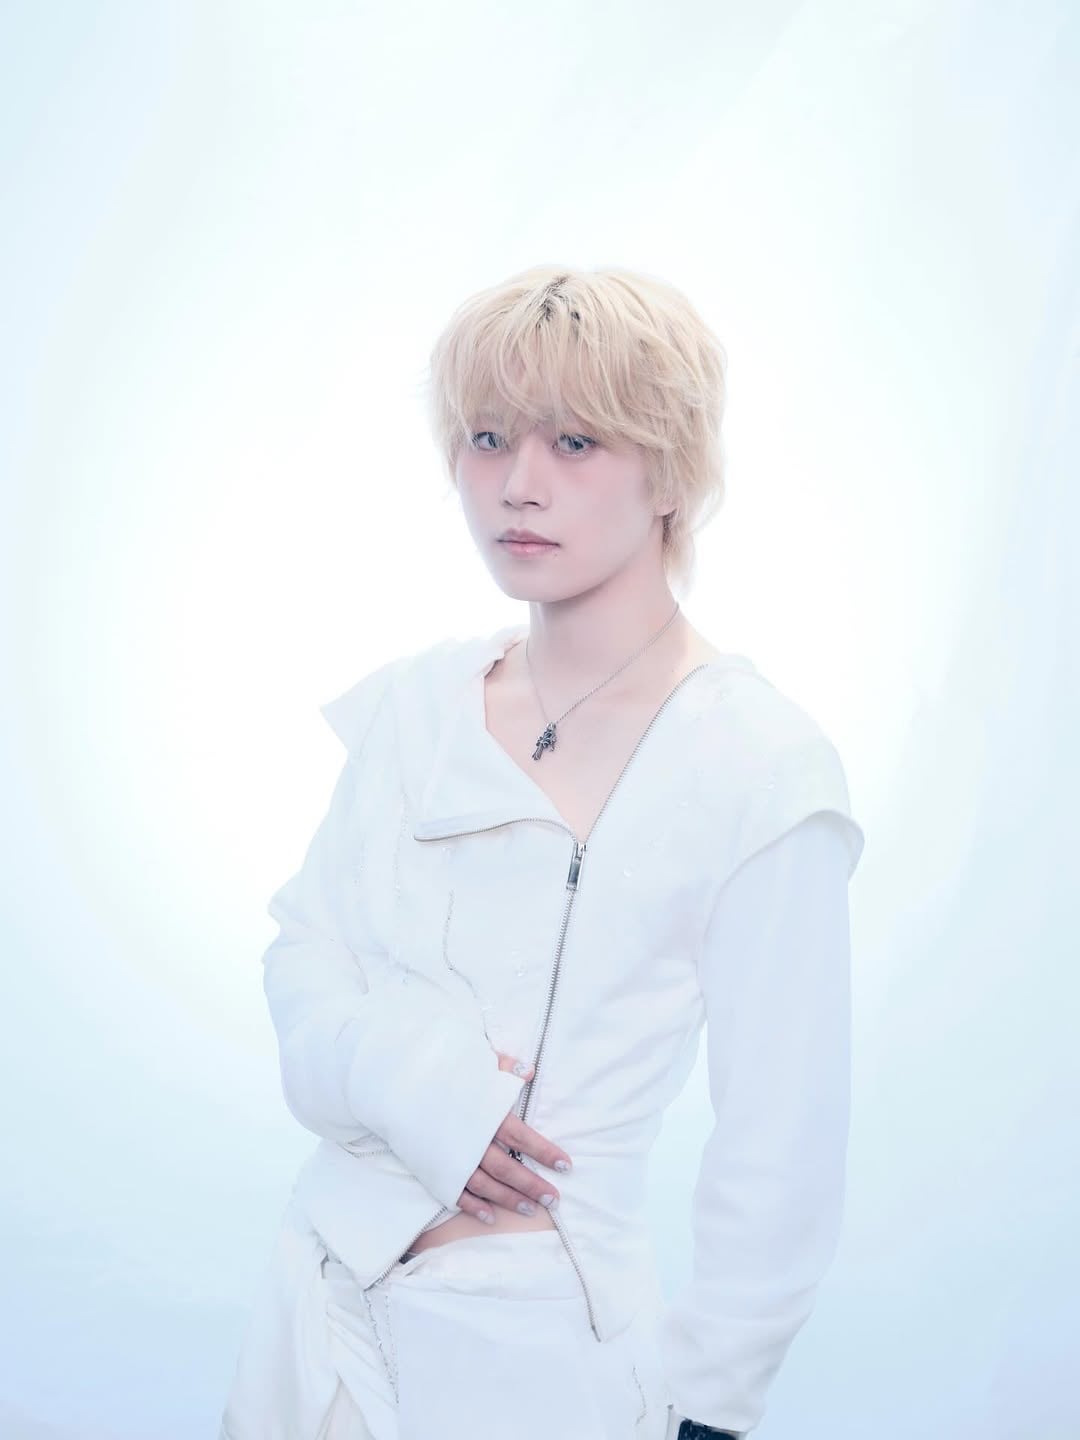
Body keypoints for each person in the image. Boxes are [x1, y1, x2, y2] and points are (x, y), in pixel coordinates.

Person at [218, 265, 865, 1440]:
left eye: (575, 441)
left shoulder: (758, 766)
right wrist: (420, 1086)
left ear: (673, 471)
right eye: (487, 438)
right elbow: (302, 962)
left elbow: (781, 1150)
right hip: (316, 1320)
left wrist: (712, 1411)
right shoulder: (421, 705)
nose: (518, 483)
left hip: (540, 1358)